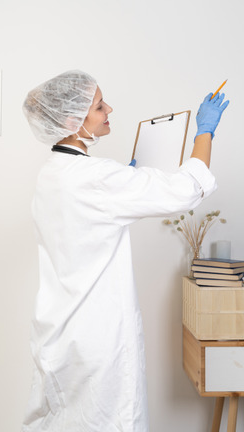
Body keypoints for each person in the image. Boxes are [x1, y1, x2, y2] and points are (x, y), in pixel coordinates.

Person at [21, 70, 229, 432]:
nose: (109, 109)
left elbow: (86, 224)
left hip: (58, 332)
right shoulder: (95, 178)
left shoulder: (52, 173)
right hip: (97, 338)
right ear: (72, 120)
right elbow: (186, 189)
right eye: (100, 106)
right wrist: (205, 131)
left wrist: (125, 182)